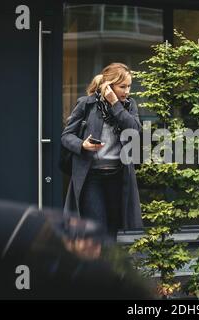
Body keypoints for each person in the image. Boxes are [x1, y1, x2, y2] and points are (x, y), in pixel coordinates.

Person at [61, 63, 143, 242]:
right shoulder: (87, 104)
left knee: (112, 232)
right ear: (109, 85)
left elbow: (135, 130)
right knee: (98, 230)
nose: (127, 91)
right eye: (123, 86)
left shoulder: (128, 106)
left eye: (129, 86)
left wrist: (115, 103)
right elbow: (67, 136)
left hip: (117, 176)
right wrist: (83, 144)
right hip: (92, 177)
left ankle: (107, 268)